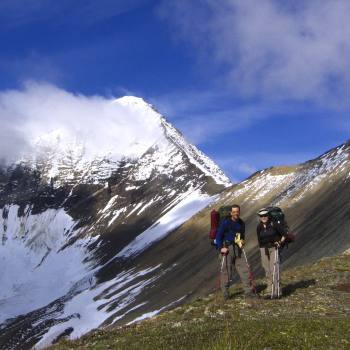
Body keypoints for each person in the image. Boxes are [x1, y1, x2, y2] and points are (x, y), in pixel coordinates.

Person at [216, 205, 256, 300]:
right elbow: (219, 236)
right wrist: (221, 248)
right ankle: (225, 294)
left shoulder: (241, 223)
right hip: (227, 248)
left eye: (237, 211)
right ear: (230, 213)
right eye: (234, 212)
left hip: (238, 248)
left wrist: (242, 241)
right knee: (227, 272)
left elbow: (242, 236)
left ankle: (248, 292)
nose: (236, 213)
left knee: (244, 269)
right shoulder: (225, 223)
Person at [256, 208, 287, 298]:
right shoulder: (259, 227)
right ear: (259, 217)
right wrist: (261, 249)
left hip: (274, 248)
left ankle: (277, 292)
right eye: (261, 216)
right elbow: (259, 239)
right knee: (267, 270)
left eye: (265, 215)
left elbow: (284, 234)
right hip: (263, 249)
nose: (264, 217)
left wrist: (279, 242)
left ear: (268, 215)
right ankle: (270, 291)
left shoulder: (274, 224)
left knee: (274, 269)